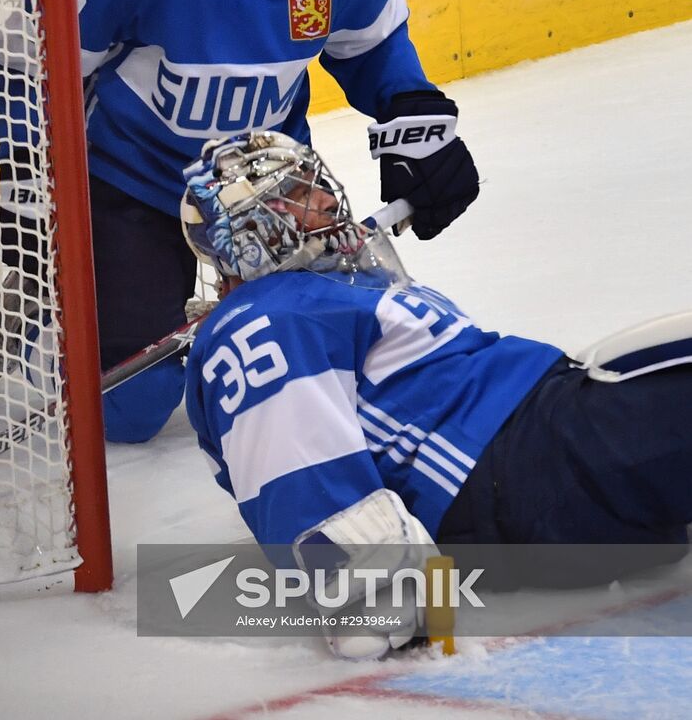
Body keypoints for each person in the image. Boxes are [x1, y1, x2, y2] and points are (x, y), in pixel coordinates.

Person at [69, 0, 479, 443]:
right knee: (129, 412)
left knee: (342, 364)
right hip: (134, 181)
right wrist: (27, 182)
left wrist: (416, 120)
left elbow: (372, 47)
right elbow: (40, 72)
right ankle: (89, 306)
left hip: (269, 182)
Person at [180, 130, 692, 660]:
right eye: (298, 192)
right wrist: (369, 580)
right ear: (248, 231)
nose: (329, 198)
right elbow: (287, 453)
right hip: (522, 464)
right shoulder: (262, 315)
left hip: (541, 449)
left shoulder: (334, 287)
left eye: (317, 182)